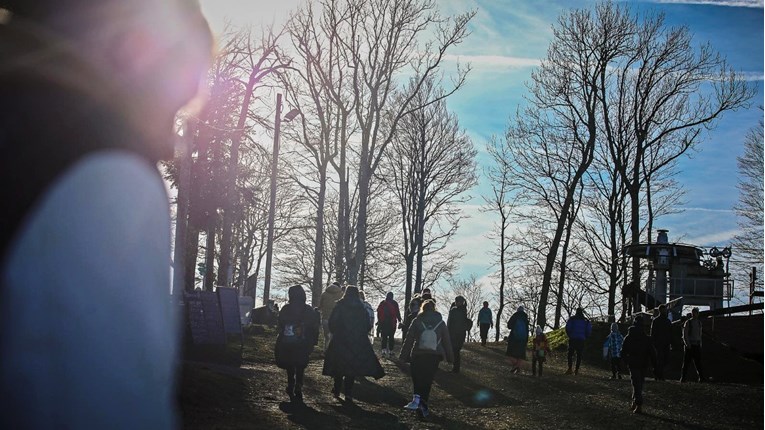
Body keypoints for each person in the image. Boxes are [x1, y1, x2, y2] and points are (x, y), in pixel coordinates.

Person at [0, 1, 212, 429]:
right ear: (130, 49)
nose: (171, 143)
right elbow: (110, 404)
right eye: (172, 96)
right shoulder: (108, 180)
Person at [322, 286, 384, 403]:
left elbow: (332, 322)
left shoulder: (340, 305)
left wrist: (336, 332)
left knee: (339, 364)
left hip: (340, 339)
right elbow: (367, 324)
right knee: (351, 367)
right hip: (356, 341)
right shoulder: (361, 308)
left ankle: (336, 388)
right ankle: (349, 393)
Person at [399, 299, 453, 419]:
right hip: (433, 357)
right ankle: (423, 405)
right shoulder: (441, 323)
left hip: (418, 355)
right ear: (434, 309)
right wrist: (450, 358)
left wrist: (403, 357)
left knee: (417, 380)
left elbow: (409, 339)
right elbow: (447, 341)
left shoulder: (417, 321)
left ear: (422, 308)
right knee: (427, 381)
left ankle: (417, 401)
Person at [275, 285, 321, 404]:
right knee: (300, 364)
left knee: (290, 363)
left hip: (288, 341)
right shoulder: (308, 310)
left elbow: (280, 323)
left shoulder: (286, 309)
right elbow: (313, 326)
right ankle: (299, 384)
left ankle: (291, 383)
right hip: (303, 342)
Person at [620, 315, 656, 414]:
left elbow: (623, 351)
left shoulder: (629, 336)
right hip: (644, 363)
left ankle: (637, 403)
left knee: (636, 383)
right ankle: (636, 403)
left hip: (633, 363)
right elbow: (652, 352)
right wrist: (654, 365)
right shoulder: (646, 338)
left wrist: (626, 361)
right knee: (639, 383)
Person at [447, 295, 472, 373]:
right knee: (456, 350)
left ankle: (455, 368)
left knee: (455, 350)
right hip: (461, 334)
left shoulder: (454, 311)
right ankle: (456, 367)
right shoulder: (464, 310)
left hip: (454, 333)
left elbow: (450, 323)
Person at [564, 307, 592, 375]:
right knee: (579, 355)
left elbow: (568, 328)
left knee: (570, 354)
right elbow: (589, 330)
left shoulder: (572, 319)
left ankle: (570, 368)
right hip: (581, 339)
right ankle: (576, 370)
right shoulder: (586, 320)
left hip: (573, 339)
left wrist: (570, 335)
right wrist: (585, 337)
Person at [680, 307, 705, 383]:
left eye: (695, 312)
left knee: (698, 363)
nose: (694, 314)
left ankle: (701, 378)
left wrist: (700, 344)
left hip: (696, 344)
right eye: (693, 312)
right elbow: (685, 334)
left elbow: (700, 335)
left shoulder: (699, 323)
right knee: (686, 363)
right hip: (690, 345)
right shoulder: (688, 322)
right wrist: (687, 344)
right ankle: (683, 378)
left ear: (697, 314)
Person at [318, 281, 343, 351]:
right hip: (336, 319)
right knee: (334, 336)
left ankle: (325, 350)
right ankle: (333, 351)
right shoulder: (341, 294)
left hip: (325, 318)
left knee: (326, 337)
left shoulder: (324, 294)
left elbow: (320, 306)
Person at [377, 292, 402, 358]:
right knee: (391, 337)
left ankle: (383, 351)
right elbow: (397, 312)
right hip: (392, 323)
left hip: (383, 323)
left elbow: (379, 312)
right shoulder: (394, 303)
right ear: (392, 296)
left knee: (384, 337)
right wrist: (400, 320)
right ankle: (391, 351)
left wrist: (379, 321)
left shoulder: (383, 303)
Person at [650, 304, 672, 381]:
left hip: (663, 343)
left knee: (663, 360)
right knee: (661, 360)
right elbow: (653, 333)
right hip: (660, 343)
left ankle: (657, 373)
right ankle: (660, 375)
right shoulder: (664, 321)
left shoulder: (660, 321)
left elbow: (670, 332)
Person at [506, 305, 530, 374]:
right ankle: (518, 368)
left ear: (517, 310)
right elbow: (527, 330)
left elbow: (509, 326)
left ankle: (515, 365)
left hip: (514, 338)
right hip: (523, 339)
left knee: (510, 353)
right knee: (520, 355)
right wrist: (526, 340)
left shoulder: (514, 316)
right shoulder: (525, 319)